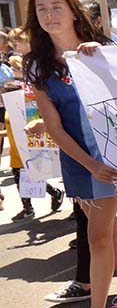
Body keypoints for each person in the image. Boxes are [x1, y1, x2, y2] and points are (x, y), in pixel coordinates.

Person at [24, 0, 117, 308]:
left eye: (56, 7)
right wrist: (88, 164)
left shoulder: (101, 52)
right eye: (41, 9)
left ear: (73, 12)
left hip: (112, 157)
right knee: (109, 231)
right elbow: (55, 127)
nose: (49, 15)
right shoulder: (37, 65)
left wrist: (105, 57)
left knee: (97, 236)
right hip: (79, 161)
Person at [3, 78, 65, 221]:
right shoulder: (8, 109)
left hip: (28, 151)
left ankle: (33, 205)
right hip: (15, 151)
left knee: (33, 178)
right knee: (22, 181)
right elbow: (11, 129)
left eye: (3, 92)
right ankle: (40, 201)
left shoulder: (27, 108)